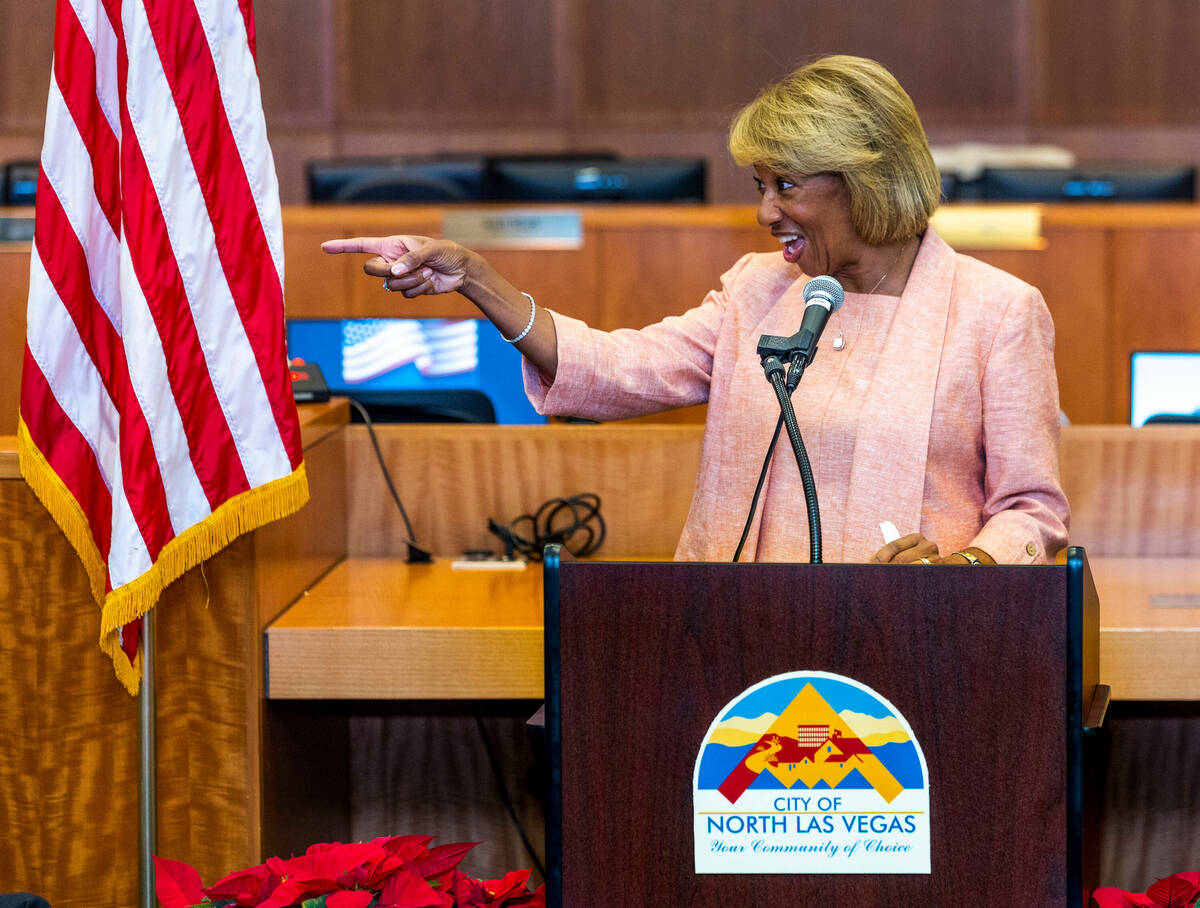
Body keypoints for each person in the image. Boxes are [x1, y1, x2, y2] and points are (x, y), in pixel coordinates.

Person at [322, 55, 1069, 566]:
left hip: (916, 661)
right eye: (759, 185)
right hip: (735, 655)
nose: (766, 211)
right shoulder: (758, 289)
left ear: (865, 179)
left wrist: (968, 566)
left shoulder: (997, 313)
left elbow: (1033, 511)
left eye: (786, 185)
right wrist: (479, 279)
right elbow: (620, 368)